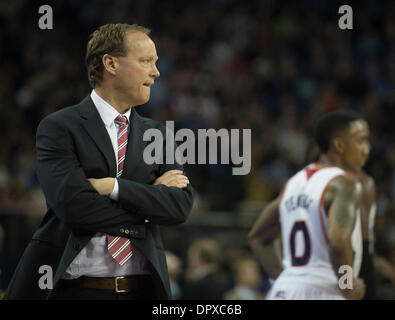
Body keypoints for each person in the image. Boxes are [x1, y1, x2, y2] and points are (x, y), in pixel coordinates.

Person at [4, 23, 195, 300]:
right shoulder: (59, 127)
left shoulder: (159, 135)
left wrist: (112, 187)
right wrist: (148, 206)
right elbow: (73, 206)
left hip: (141, 289)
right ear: (111, 63)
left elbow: (180, 207)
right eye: (145, 61)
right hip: (74, 290)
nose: (156, 72)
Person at [249, 111, 369, 300]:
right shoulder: (344, 183)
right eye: (360, 141)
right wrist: (348, 286)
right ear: (339, 145)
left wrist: (287, 277)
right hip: (324, 289)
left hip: (284, 291)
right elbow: (338, 242)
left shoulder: (293, 183)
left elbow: (257, 237)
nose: (366, 150)